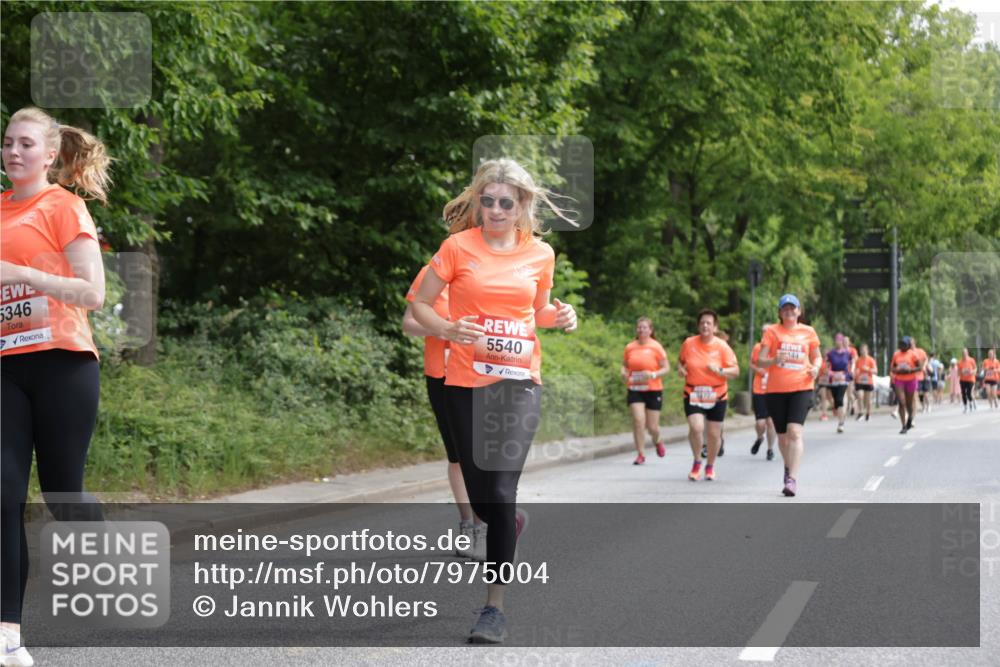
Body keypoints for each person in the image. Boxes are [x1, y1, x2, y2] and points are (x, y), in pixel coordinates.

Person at [411, 158, 577, 644]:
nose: (496, 210)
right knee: (483, 498)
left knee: (502, 491)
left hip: (520, 382)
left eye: (507, 202)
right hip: (464, 381)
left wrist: (562, 315)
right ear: (477, 201)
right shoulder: (457, 247)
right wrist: (445, 328)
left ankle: (493, 608)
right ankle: (501, 521)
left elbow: (539, 309)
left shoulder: (540, 254)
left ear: (523, 204)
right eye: (488, 201)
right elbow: (420, 303)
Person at [2, 107, 112, 667]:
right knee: (3, 495)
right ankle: (8, 637)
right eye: (7, 142)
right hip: (6, 368)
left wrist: (21, 274)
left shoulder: (65, 207)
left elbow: (91, 292)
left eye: (26, 144)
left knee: (61, 493)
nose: (14, 152)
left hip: (64, 362)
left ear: (49, 156)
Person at [403, 266, 486, 559]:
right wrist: (443, 328)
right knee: (458, 455)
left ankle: (485, 523)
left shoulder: (490, 272)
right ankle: (470, 525)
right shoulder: (431, 273)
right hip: (442, 375)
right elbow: (408, 323)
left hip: (483, 375)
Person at [758, 294, 821, 497]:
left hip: (802, 387)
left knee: (794, 432)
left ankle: (792, 479)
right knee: (783, 439)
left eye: (792, 308)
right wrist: (774, 359)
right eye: (785, 308)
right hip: (776, 390)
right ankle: (788, 467)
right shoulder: (772, 332)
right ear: (780, 313)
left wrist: (816, 368)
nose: (789, 311)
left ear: (799, 311)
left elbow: (816, 356)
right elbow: (761, 360)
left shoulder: (808, 332)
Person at [677, 310, 739, 482]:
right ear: (698, 326)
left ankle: (710, 466)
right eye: (702, 322)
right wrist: (680, 370)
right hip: (693, 392)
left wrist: (720, 370)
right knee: (696, 427)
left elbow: (735, 371)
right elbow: (680, 362)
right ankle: (697, 461)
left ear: (715, 327)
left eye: (709, 323)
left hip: (717, 394)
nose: (705, 326)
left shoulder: (722, 347)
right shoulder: (689, 343)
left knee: (713, 434)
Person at [620, 317, 669, 465]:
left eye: (644, 327)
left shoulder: (656, 347)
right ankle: (641, 453)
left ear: (650, 330)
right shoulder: (630, 347)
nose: (641, 330)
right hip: (635, 388)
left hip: (653, 389)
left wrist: (653, 374)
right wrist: (623, 372)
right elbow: (624, 366)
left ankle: (657, 440)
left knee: (652, 427)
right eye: (639, 327)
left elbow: (666, 368)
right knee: (638, 421)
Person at [749, 324, 777, 460]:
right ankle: (760, 437)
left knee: (771, 422)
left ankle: (770, 449)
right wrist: (757, 370)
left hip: (773, 389)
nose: (766, 334)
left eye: (768, 332)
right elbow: (751, 363)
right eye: (764, 332)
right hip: (759, 388)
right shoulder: (757, 348)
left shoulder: (777, 348)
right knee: (760, 423)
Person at [825, 334, 854, 434]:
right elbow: (827, 366)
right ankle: (841, 416)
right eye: (836, 340)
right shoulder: (831, 353)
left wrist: (850, 372)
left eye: (840, 340)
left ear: (842, 342)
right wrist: (830, 373)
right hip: (833, 380)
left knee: (840, 399)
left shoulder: (847, 353)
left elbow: (852, 363)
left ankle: (841, 424)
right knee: (836, 402)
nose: (838, 342)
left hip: (843, 378)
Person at [890, 337, 920, 433]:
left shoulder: (913, 354)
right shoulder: (896, 354)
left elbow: (919, 367)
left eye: (904, 344)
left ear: (908, 345)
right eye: (901, 344)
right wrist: (898, 370)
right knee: (901, 402)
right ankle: (903, 426)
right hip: (899, 379)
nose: (902, 346)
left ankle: (910, 418)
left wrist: (910, 370)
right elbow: (892, 368)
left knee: (909, 403)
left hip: (910, 380)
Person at [854, 343, 877, 421]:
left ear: (867, 350)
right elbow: (856, 370)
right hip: (859, 381)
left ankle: (868, 413)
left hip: (868, 382)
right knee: (860, 396)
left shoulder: (871, 360)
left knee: (868, 399)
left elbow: (875, 371)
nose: (863, 352)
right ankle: (860, 413)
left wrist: (868, 369)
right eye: (861, 350)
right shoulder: (858, 360)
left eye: (864, 350)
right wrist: (856, 373)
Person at [911, 337, 929, 414]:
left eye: (911, 343)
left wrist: (924, 366)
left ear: (914, 343)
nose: (910, 344)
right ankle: (920, 406)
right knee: (915, 393)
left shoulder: (920, 351)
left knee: (922, 393)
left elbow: (926, 359)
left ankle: (926, 405)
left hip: (920, 376)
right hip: (912, 376)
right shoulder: (907, 352)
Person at [957, 348, 978, 412]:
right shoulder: (960, 362)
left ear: (967, 353)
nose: (964, 354)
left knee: (969, 393)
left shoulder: (971, 360)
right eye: (963, 353)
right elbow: (958, 373)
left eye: (965, 353)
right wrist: (962, 372)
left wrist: (972, 371)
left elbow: (975, 368)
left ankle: (971, 403)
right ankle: (965, 406)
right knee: (963, 393)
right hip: (963, 379)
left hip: (971, 379)